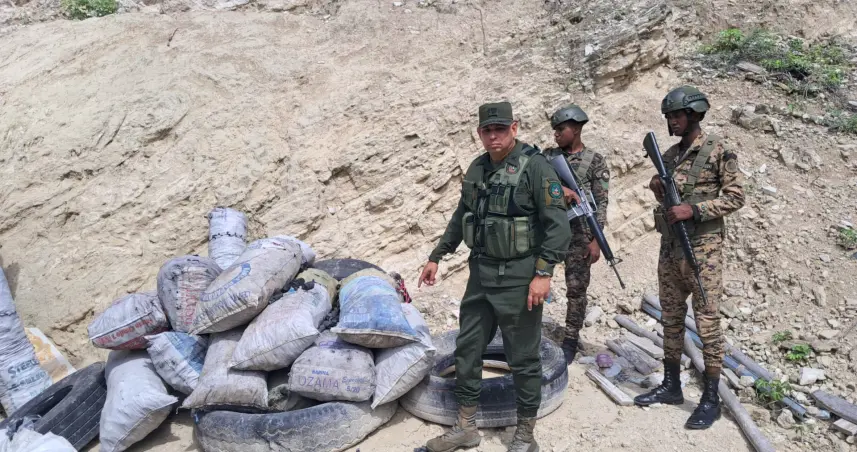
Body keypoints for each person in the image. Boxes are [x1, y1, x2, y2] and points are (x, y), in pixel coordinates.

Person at [418, 101, 572, 452]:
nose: (493, 136)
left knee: (523, 358)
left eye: (500, 129)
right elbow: (462, 215)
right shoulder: (478, 168)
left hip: (519, 279)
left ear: (514, 128)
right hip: (480, 276)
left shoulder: (536, 167)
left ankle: (525, 435)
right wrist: (437, 256)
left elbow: (558, 227)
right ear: (479, 133)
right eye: (486, 130)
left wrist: (543, 273)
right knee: (467, 349)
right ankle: (466, 427)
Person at [634, 86, 745, 430]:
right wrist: (657, 186)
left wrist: (694, 210)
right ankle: (671, 386)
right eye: (668, 116)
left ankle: (711, 400)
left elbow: (736, 197)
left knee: (708, 324)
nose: (672, 121)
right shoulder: (669, 155)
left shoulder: (718, 150)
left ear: (695, 114)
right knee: (670, 318)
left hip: (703, 251)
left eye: (677, 115)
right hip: (670, 249)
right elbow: (669, 199)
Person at [541, 104, 609, 364]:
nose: (556, 134)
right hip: (548, 231)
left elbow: (601, 203)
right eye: (554, 129)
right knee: (535, 280)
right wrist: (559, 191)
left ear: (577, 128)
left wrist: (596, 240)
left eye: (561, 129)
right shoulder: (547, 157)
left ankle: (570, 339)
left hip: (580, 233)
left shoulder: (595, 161)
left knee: (576, 289)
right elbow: (534, 185)